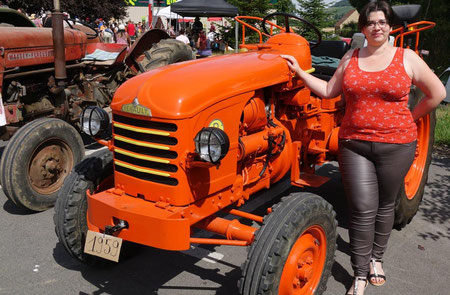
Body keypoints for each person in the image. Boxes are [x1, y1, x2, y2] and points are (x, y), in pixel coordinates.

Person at [281, 1, 445, 295]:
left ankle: (376, 259)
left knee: (384, 206)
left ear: (390, 26)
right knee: (361, 209)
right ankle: (359, 273)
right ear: (363, 28)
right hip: (354, 143)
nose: (377, 27)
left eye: (382, 22)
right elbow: (330, 90)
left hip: (397, 145)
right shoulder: (352, 57)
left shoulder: (406, 57)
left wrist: (412, 116)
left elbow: (437, 92)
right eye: (371, 22)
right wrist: (301, 74)